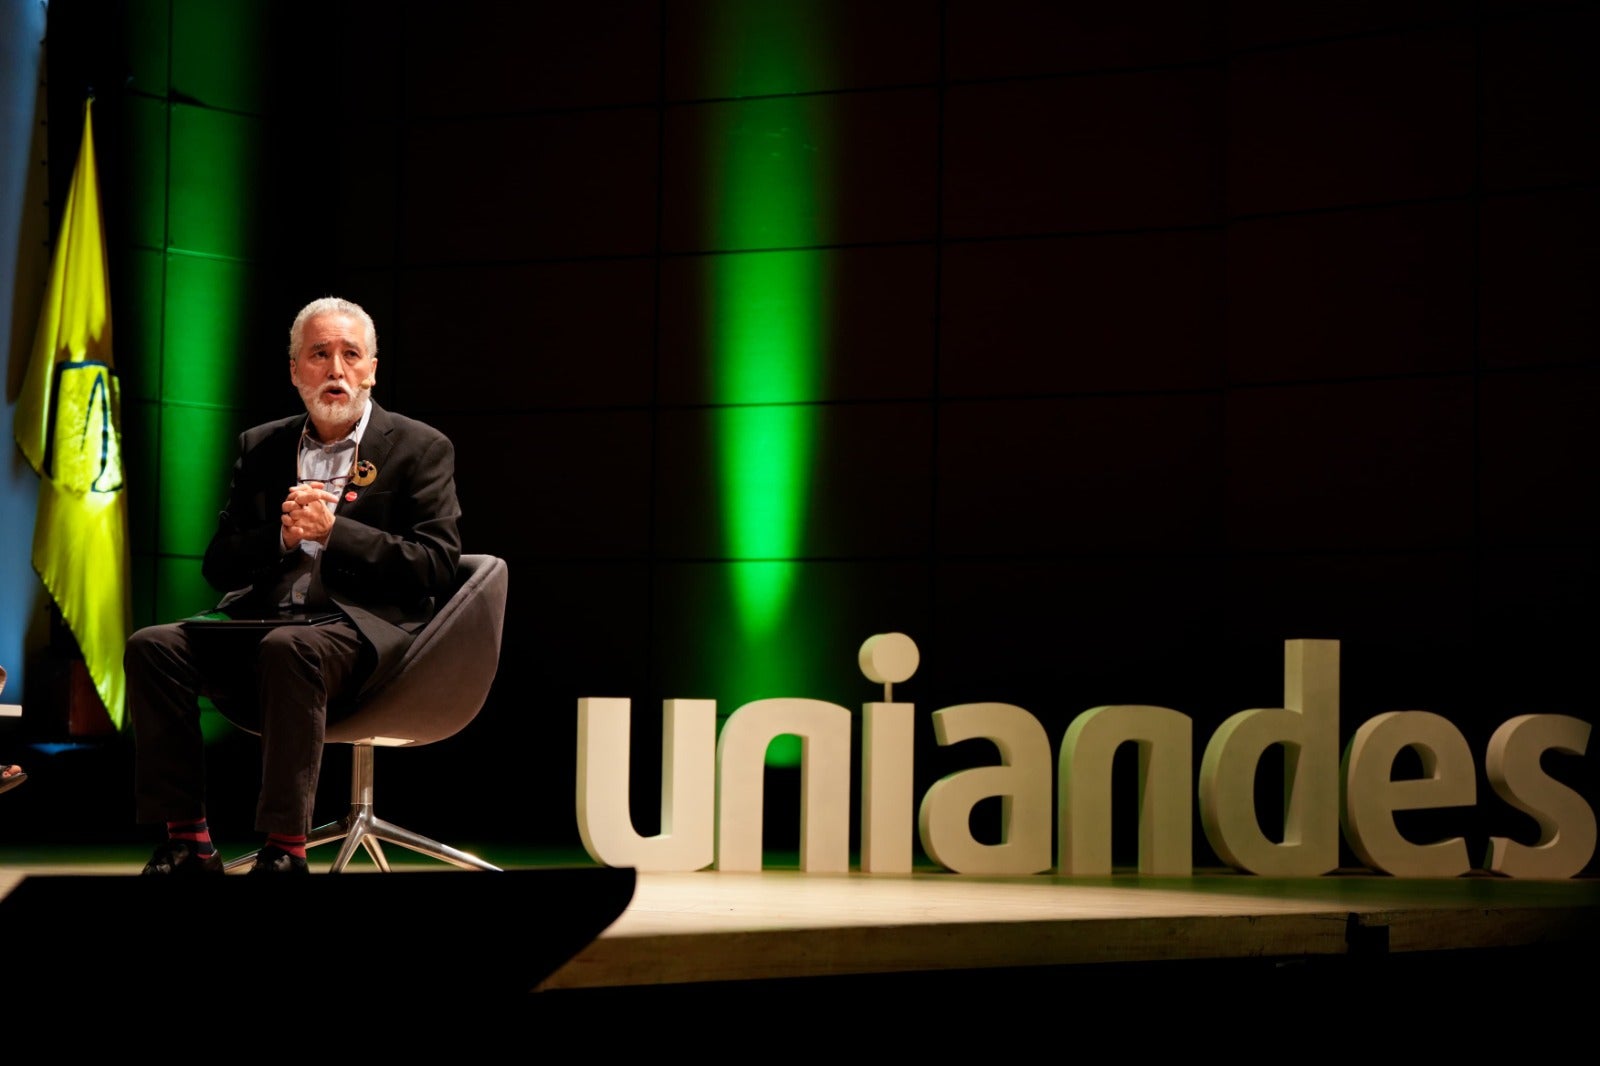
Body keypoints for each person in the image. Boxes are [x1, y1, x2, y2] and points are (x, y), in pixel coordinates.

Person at [126, 296, 461, 875]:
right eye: (319, 354)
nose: (336, 370)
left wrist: (336, 533)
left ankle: (286, 849)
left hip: (358, 632)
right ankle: (189, 841)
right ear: (294, 370)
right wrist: (280, 540)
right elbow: (220, 566)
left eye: (351, 355)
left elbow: (435, 565)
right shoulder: (262, 447)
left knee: (290, 649)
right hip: (267, 618)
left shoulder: (419, 448)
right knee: (153, 646)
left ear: (372, 368)